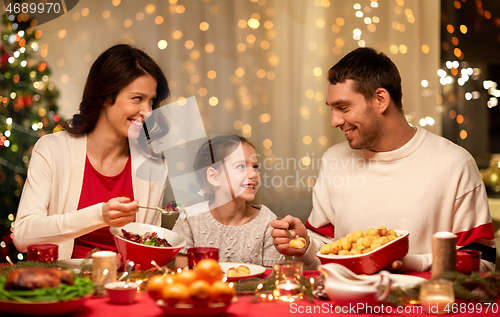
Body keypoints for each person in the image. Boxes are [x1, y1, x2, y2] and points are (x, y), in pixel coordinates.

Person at [271, 47, 496, 272]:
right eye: (332, 109)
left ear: (380, 99)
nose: (335, 121)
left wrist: (413, 263)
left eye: (343, 107)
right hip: (346, 305)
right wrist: (305, 245)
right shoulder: (333, 160)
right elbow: (327, 250)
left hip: (423, 304)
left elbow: (481, 260)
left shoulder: (454, 164)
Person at [13, 44, 170, 259]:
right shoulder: (52, 150)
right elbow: (22, 236)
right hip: (63, 284)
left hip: (124, 286)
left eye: (151, 100)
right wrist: (99, 215)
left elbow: (148, 250)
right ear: (106, 97)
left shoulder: (152, 165)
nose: (148, 111)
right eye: (137, 98)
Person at [172, 135, 284, 267]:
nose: (254, 174)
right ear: (214, 177)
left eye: (255, 167)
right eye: (241, 166)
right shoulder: (189, 219)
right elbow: (182, 277)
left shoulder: (267, 222)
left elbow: (272, 280)